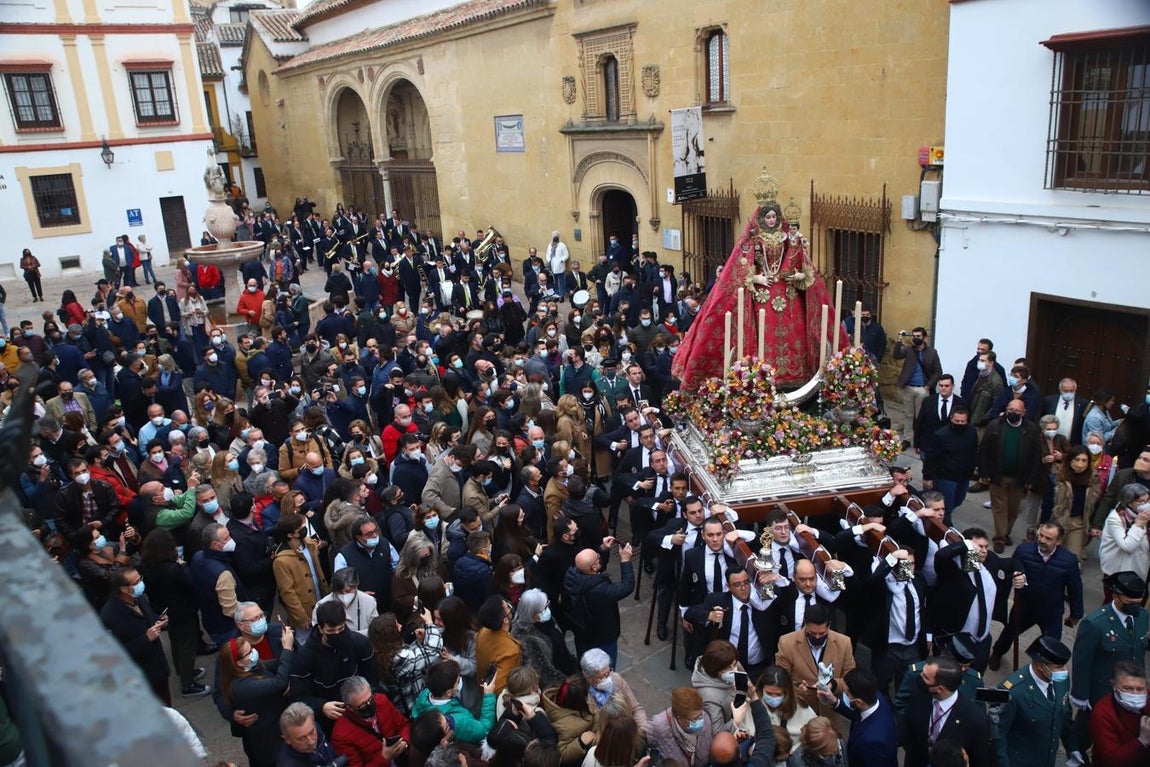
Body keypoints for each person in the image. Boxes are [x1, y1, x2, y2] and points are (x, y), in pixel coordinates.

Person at [672, 191, 845, 390]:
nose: (772, 220)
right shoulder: (753, 241)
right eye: (768, 217)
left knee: (793, 333)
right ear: (762, 219)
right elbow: (740, 267)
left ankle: (795, 375)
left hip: (787, 294)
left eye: (774, 217)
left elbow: (800, 263)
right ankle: (763, 375)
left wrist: (798, 274)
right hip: (763, 294)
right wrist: (756, 277)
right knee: (764, 334)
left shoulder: (788, 238)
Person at [989, 522, 1083, 671]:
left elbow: (1075, 588)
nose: (1042, 540)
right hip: (1025, 607)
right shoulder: (1023, 551)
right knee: (1008, 634)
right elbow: (1011, 569)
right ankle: (997, 653)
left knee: (1052, 645)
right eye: (1041, 535)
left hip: (1051, 612)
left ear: (1058, 541)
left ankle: (1044, 669)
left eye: (1048, 538)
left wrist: (1076, 613)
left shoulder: (1069, 560)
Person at [995, 636, 1079, 767]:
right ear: (1041, 666)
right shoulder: (1013, 692)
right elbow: (998, 737)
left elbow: (1064, 714)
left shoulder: (1061, 681)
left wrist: (1072, 746)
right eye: (1059, 667)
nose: (1064, 671)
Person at [218, 625, 296, 767]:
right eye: (249, 652)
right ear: (240, 663)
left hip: (276, 730)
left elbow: (274, 664)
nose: (254, 652)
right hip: (269, 743)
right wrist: (287, 648)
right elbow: (279, 683)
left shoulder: (249, 668)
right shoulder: (242, 686)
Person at [290, 601, 380, 723]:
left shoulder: (359, 643)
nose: (337, 634)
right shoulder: (306, 656)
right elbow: (299, 696)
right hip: (331, 717)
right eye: (331, 631)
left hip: (361, 708)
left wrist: (366, 699)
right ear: (321, 629)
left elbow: (373, 677)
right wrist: (321, 706)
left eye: (341, 628)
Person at [1071, 571, 1149, 711]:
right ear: (1115, 597)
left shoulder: (1142, 617)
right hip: (1104, 692)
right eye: (1130, 603)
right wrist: (1080, 694)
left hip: (1133, 691)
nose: (1135, 608)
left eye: (1138, 603)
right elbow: (1082, 662)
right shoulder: (1095, 624)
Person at [979, 398, 1044, 553]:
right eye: (1010, 409)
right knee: (999, 508)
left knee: (1013, 509)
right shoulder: (995, 426)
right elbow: (984, 450)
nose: (1013, 413)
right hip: (998, 475)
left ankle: (1005, 532)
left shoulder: (1031, 429)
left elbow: (1036, 455)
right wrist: (984, 472)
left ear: (1024, 413)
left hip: (1019, 477)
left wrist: (1031, 478)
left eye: (1017, 411)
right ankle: (1000, 538)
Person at [899, 656, 990, 767]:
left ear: (940, 689)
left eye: (926, 678)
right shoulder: (919, 694)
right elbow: (909, 726)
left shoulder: (975, 719)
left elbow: (979, 760)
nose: (920, 677)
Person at [100, 567, 171, 705]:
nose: (141, 584)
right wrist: (146, 639)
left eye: (140, 579)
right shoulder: (109, 615)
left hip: (158, 670)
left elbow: (148, 618)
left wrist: (160, 621)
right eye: (136, 582)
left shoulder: (140, 599)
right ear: (124, 589)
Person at [773, 605, 856, 715]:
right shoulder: (786, 643)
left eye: (822, 634)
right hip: (799, 711)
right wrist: (800, 690)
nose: (817, 637)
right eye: (812, 633)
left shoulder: (844, 643)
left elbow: (851, 679)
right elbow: (781, 679)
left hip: (831, 713)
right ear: (805, 625)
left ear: (829, 626)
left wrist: (833, 684)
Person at [562, 543, 635, 665]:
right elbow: (627, 586)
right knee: (605, 667)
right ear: (594, 567)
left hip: (582, 632)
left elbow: (594, 566)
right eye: (597, 557)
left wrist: (603, 549)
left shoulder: (572, 575)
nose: (599, 556)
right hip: (602, 637)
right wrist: (625, 561)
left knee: (584, 662)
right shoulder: (600, 590)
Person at [817, 668, 898, 767]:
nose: (844, 696)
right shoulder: (873, 696)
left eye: (846, 694)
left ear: (858, 702)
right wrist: (834, 701)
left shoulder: (872, 742)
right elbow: (856, 714)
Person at [410, 659, 497, 745]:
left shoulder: (425, 694)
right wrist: (488, 695)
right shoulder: (458, 722)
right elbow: (484, 730)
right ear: (448, 692)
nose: (460, 681)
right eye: (458, 681)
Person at [331, 675, 410, 767]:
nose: (369, 705)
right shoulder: (341, 735)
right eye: (363, 706)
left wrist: (404, 742)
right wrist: (384, 758)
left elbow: (403, 725)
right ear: (349, 707)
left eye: (371, 699)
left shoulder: (381, 701)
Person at [1087, 660, 1150, 767]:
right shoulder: (1102, 713)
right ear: (1114, 685)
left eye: (1140, 689)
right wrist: (1142, 741)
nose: (1135, 694)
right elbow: (1111, 761)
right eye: (1127, 688)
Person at [894, 328, 944, 447]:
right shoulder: (909, 350)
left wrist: (928, 386)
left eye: (918, 336)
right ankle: (907, 439)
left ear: (924, 337)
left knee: (921, 416)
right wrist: (899, 339)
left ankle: (920, 438)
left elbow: (938, 371)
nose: (916, 338)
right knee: (908, 414)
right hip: (909, 387)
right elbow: (896, 355)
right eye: (914, 336)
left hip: (923, 388)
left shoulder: (932, 352)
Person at [642, 687, 714, 767]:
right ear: (680, 718)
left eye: (700, 715)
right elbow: (638, 741)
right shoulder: (658, 727)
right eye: (695, 719)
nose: (700, 720)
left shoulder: (705, 716)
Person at [1098, 484, 1150, 592]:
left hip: (1140, 567)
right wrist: (1139, 524)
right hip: (1118, 570)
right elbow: (1127, 546)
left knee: (1137, 602)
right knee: (1115, 602)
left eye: (1147, 500)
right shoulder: (1115, 518)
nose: (1146, 505)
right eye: (1141, 502)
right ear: (1129, 503)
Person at [475, 594, 522, 695]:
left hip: (481, 684)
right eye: (508, 607)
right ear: (505, 620)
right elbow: (498, 688)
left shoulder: (483, 631)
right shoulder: (510, 651)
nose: (510, 607)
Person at [277, 701, 338, 766]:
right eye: (301, 738)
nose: (311, 742)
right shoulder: (288, 764)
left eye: (312, 732)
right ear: (287, 739)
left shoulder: (311, 726)